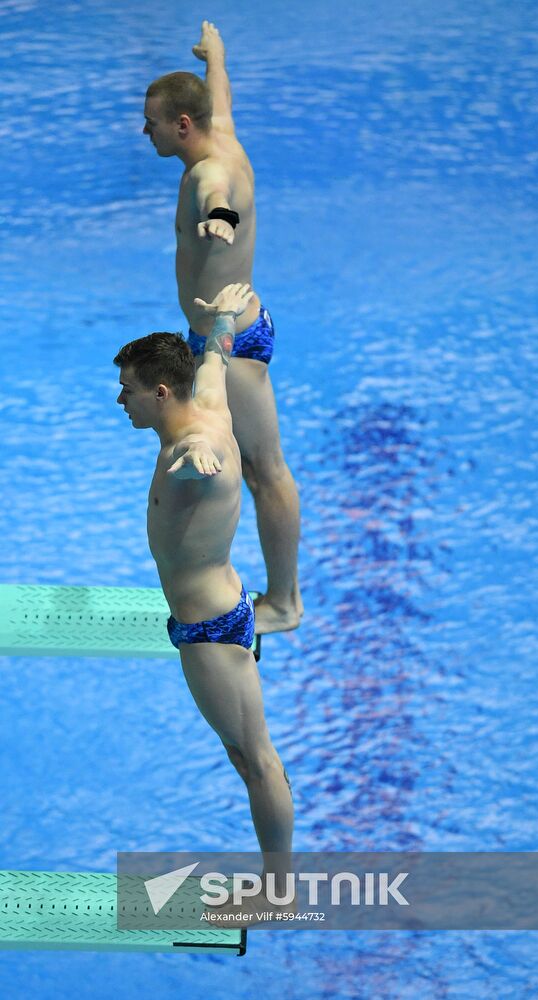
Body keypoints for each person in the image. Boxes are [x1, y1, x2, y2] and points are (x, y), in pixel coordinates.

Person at [114, 282, 293, 914]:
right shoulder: (207, 398)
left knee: (256, 760)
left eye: (128, 389)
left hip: (211, 631)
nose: (122, 400)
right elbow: (215, 356)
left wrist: (194, 455)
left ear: (160, 392)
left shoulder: (198, 445)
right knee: (245, 754)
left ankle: (278, 891)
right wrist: (219, 319)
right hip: (217, 612)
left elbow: (203, 457)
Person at [142, 19, 302, 635]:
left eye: (151, 121)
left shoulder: (211, 174)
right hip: (226, 331)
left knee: (266, 471)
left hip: (229, 343)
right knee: (261, 469)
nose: (145, 131)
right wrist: (217, 58)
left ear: (182, 125)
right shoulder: (221, 133)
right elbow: (220, 97)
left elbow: (219, 199)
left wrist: (221, 223)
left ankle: (285, 603)